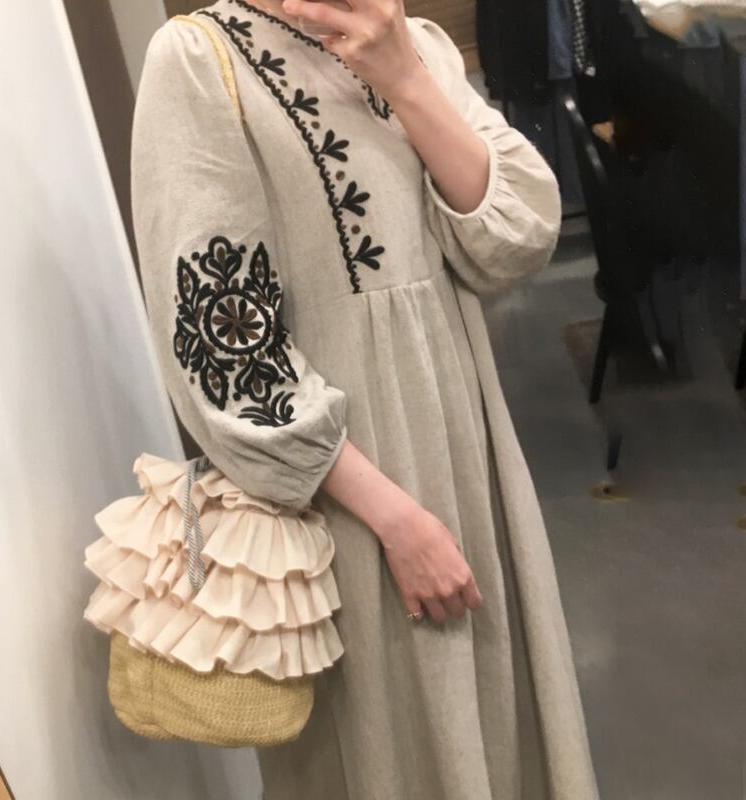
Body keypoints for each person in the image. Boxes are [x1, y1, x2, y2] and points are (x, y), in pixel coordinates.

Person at [130, 0, 600, 797]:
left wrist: (406, 78)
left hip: (468, 447)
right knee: (398, 746)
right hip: (351, 501)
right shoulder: (201, 61)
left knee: (500, 722)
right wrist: (397, 520)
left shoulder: (418, 45)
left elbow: (514, 239)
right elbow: (226, 349)